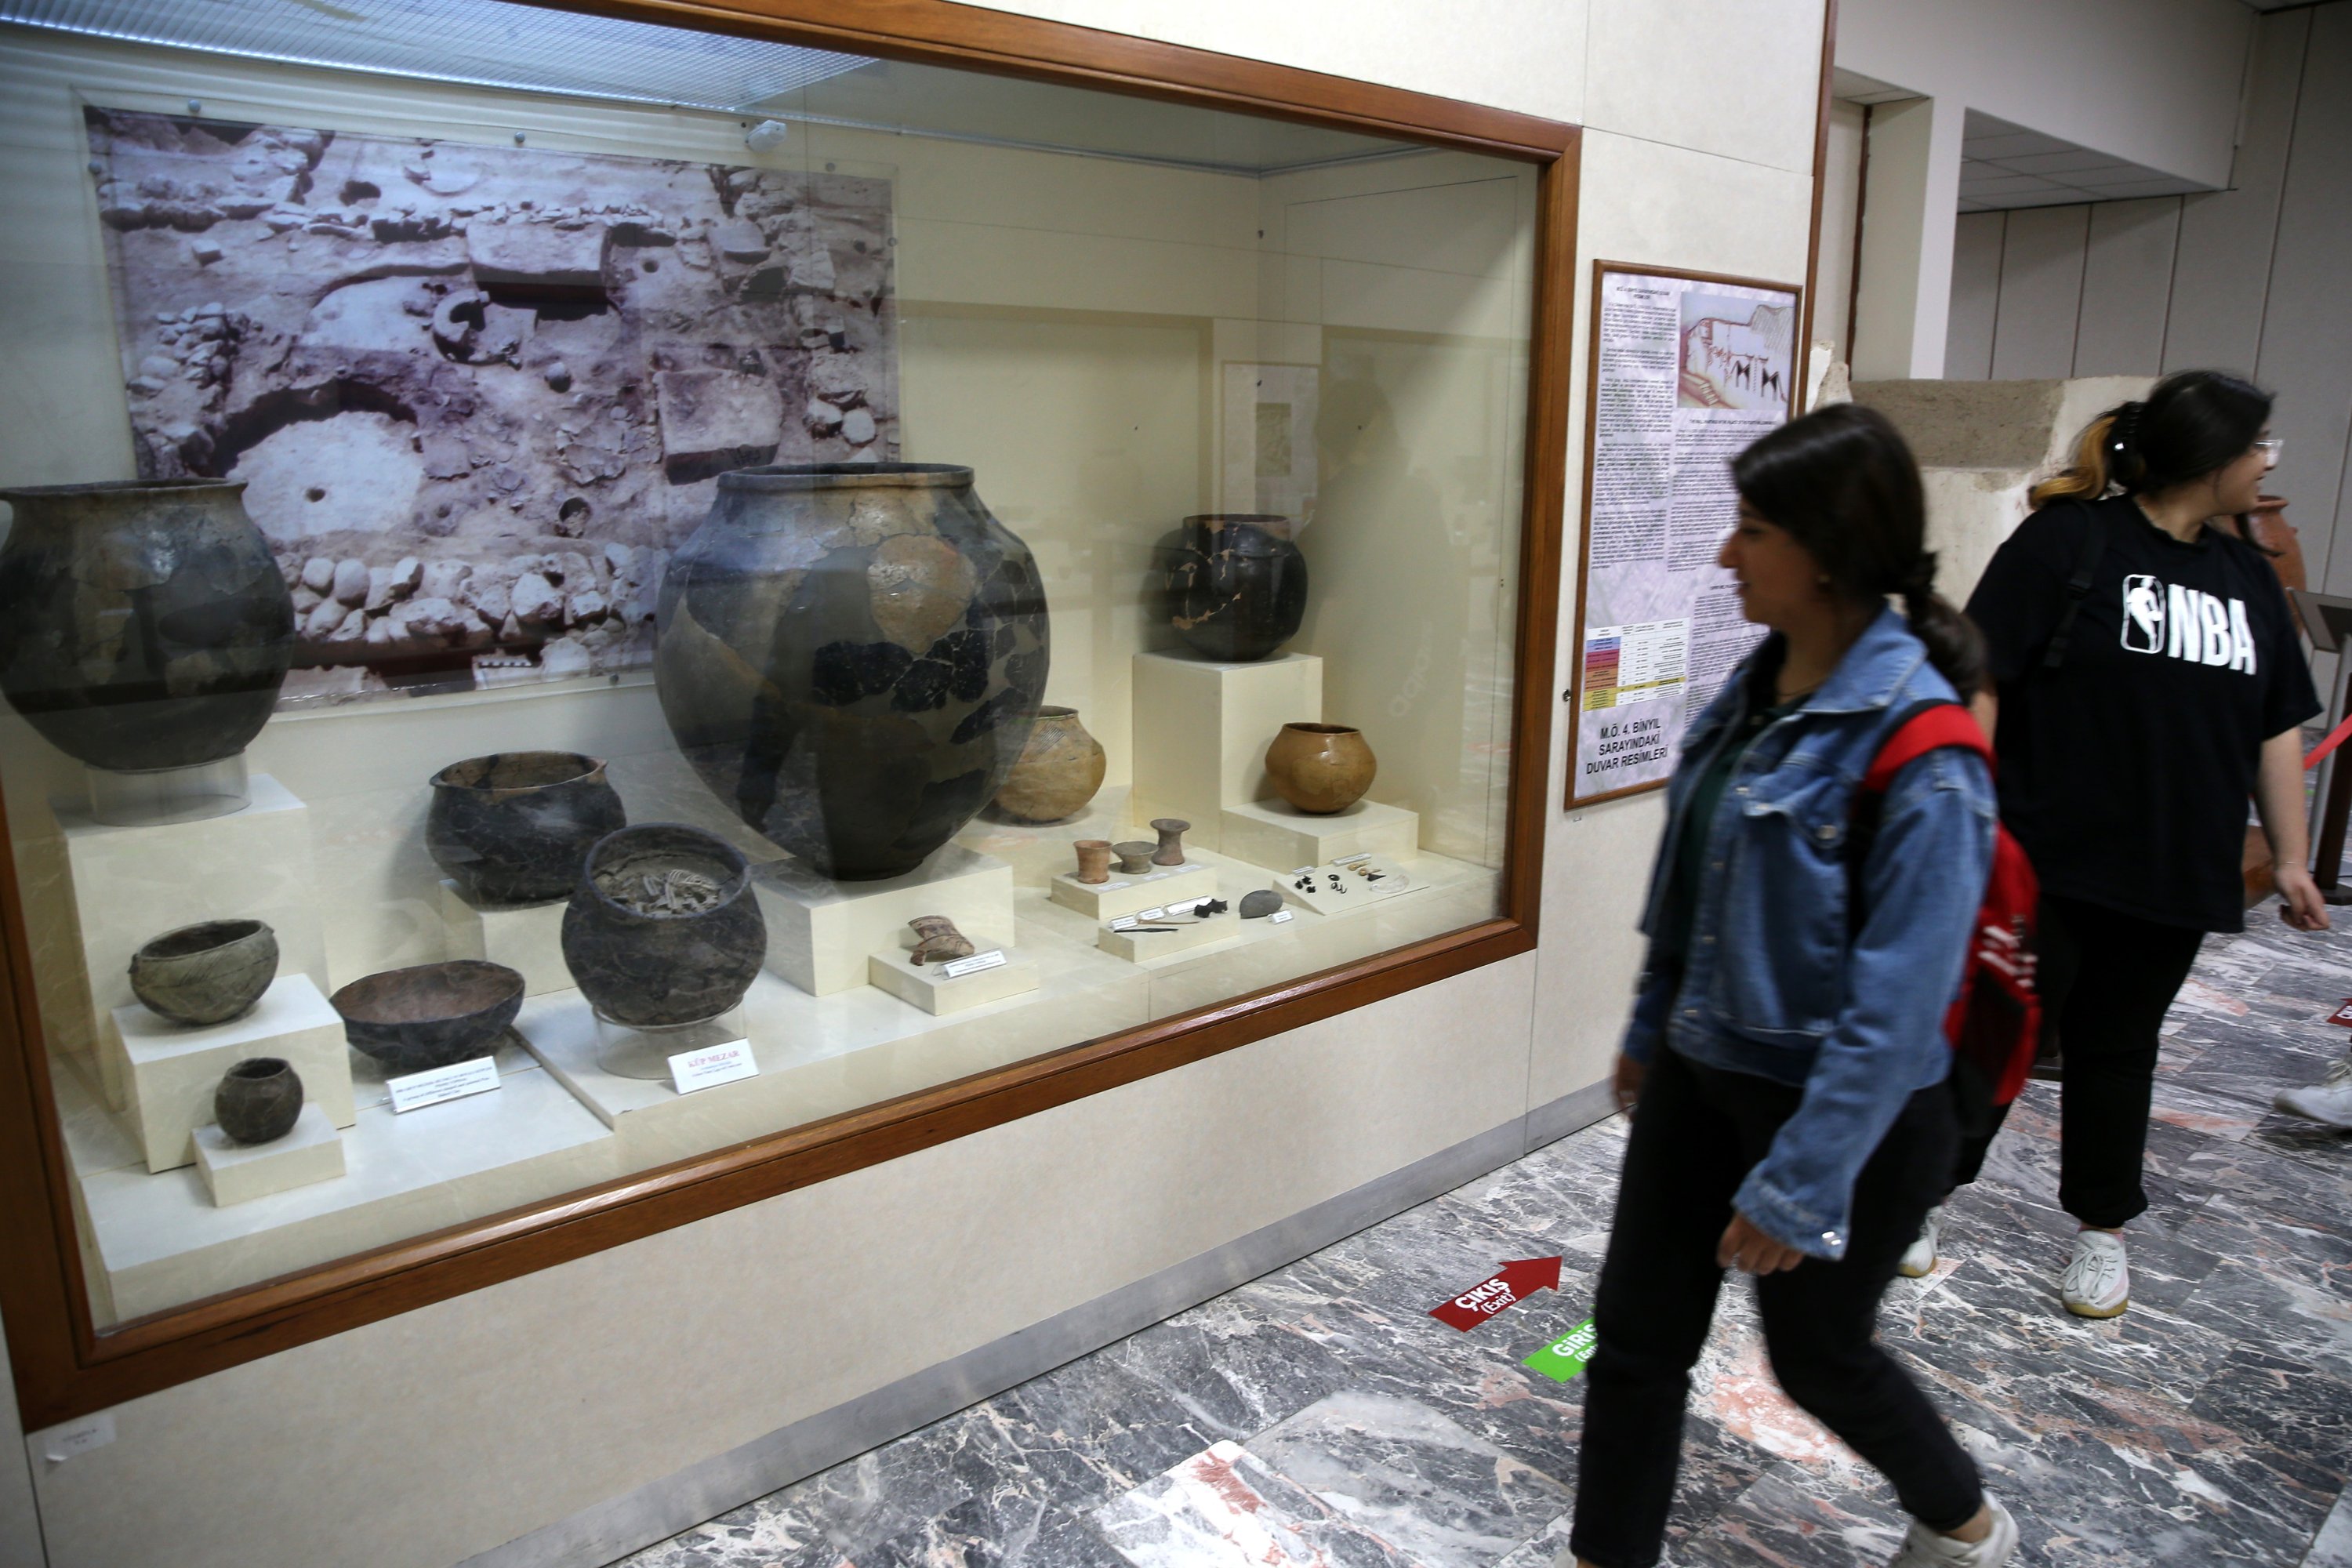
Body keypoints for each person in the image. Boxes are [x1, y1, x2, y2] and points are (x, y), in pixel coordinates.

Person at [1566, 404, 2018, 1568]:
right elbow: (1694, 884)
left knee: (1819, 1360)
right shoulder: (1753, 692)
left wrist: (1800, 1182)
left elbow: (1896, 1010)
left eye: (1753, 529)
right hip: (1703, 1073)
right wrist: (1650, 1024)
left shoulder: (1924, 752)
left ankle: (1965, 1526)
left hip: (1844, 1120)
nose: (1727, 554)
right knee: (1633, 1347)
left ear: (1828, 551)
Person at [1911, 370, 2329, 1316]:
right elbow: (1981, 678)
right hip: (2045, 856)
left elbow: (2278, 726)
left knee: (2120, 1047)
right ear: (2214, 460)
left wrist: (2294, 859)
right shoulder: (2072, 540)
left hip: (2174, 867)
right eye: (2260, 447)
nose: (2267, 464)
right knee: (2000, 1037)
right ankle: (1921, 1196)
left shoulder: (2247, 580)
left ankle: (2102, 1232)